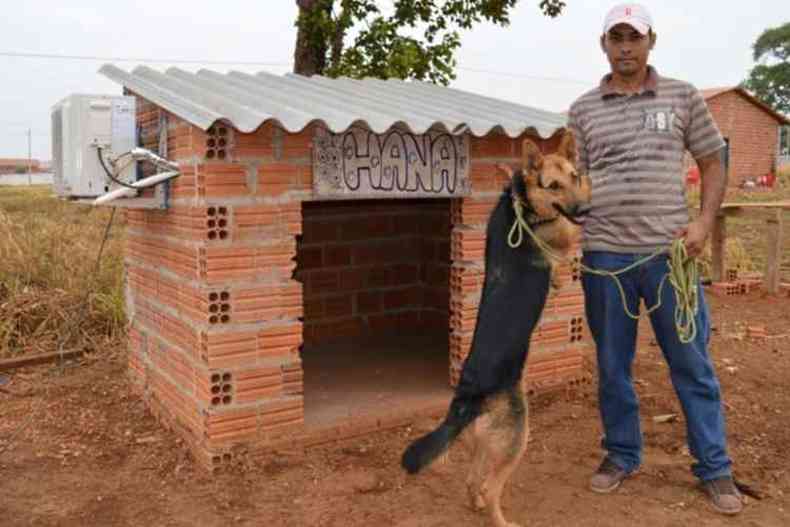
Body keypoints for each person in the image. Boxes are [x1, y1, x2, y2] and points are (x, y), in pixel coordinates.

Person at [566, 3, 742, 515]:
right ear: (603, 45)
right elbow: (574, 178)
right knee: (612, 365)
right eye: (615, 37)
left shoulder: (682, 96)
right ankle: (621, 454)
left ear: (651, 42)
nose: (625, 45)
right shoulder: (582, 109)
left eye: (634, 37)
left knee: (691, 363)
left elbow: (713, 160)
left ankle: (714, 466)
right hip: (604, 259)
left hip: (670, 257)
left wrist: (704, 222)